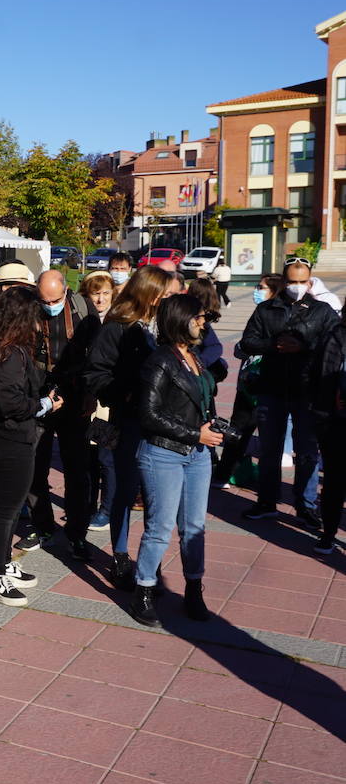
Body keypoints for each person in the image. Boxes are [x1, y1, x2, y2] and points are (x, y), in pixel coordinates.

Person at [129, 294, 221, 626]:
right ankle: (144, 590)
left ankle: (194, 590)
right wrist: (196, 434)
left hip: (198, 456)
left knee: (194, 528)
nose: (203, 322)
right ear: (179, 319)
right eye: (197, 317)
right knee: (160, 528)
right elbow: (148, 414)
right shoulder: (159, 361)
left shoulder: (194, 356)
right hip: (163, 454)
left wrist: (209, 427)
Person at [84, 265, 175, 590]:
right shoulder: (117, 326)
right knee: (125, 490)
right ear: (148, 291)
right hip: (131, 420)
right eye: (165, 291)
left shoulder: (167, 323)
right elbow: (96, 373)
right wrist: (124, 392)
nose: (170, 297)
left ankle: (151, 561)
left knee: (157, 496)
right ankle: (120, 556)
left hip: (166, 424)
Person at [239, 259, 338, 525]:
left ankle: (305, 506)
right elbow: (247, 341)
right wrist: (273, 345)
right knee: (270, 449)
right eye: (292, 281)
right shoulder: (266, 308)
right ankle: (266, 502)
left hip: (307, 391)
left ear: (310, 280)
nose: (297, 286)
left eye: (302, 281)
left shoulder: (323, 310)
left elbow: (335, 344)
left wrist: (303, 346)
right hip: (271, 388)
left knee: (307, 452)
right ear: (283, 281)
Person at [0, 286, 51, 606]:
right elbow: (11, 402)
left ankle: (4, 563)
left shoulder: (8, 347)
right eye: (35, 313)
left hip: (10, 435)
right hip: (10, 436)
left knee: (8, 505)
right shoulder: (9, 352)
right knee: (6, 508)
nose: (40, 320)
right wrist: (44, 404)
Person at [21, 269, 96, 556]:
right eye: (44, 300)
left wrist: (90, 394)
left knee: (76, 469)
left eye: (54, 299)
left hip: (75, 396)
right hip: (39, 396)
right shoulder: (28, 310)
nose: (49, 305)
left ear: (66, 291)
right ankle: (43, 527)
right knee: (35, 467)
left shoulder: (82, 308)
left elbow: (96, 354)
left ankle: (77, 534)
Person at [213, 273, 284, 488]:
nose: (257, 290)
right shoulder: (259, 313)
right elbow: (242, 346)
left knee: (267, 438)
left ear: (274, 291)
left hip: (266, 387)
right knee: (237, 432)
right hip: (247, 386)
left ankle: (269, 487)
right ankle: (225, 474)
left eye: (261, 287)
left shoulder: (280, 317)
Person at [78, 272, 116, 534]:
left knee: (106, 456)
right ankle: (88, 506)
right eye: (95, 293)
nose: (100, 299)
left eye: (105, 293)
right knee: (88, 457)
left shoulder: (118, 321)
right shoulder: (83, 319)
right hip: (85, 397)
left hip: (107, 399)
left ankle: (107, 509)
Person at [309, 306, 346, 556]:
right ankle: (328, 533)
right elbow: (317, 376)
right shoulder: (334, 337)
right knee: (334, 480)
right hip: (334, 421)